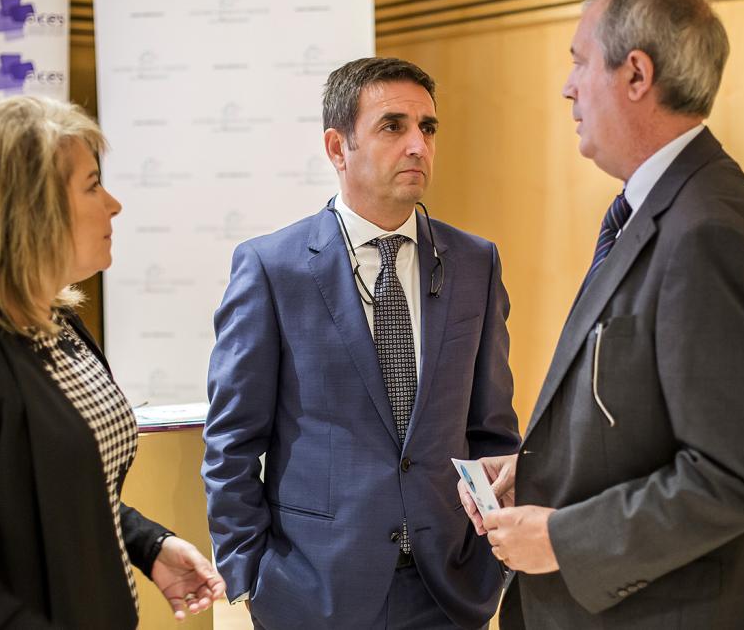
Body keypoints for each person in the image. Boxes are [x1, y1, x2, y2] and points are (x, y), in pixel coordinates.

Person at [460, 0, 744, 629]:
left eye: (579, 61)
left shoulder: (710, 230)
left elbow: (735, 475)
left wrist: (562, 538)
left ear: (636, 74)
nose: (568, 86)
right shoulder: (666, 211)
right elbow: (644, 418)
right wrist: (543, 472)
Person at [0, 96, 226, 629]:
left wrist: (150, 544)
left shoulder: (58, 323)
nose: (114, 204)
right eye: (91, 184)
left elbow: (69, 486)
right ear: (29, 207)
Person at [202, 57, 519, 629]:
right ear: (336, 147)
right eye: (393, 126)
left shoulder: (476, 262)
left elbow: (492, 429)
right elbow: (232, 444)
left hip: (449, 588)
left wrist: (493, 560)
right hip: (313, 593)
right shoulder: (272, 269)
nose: (418, 145)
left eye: (428, 127)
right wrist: (251, 577)